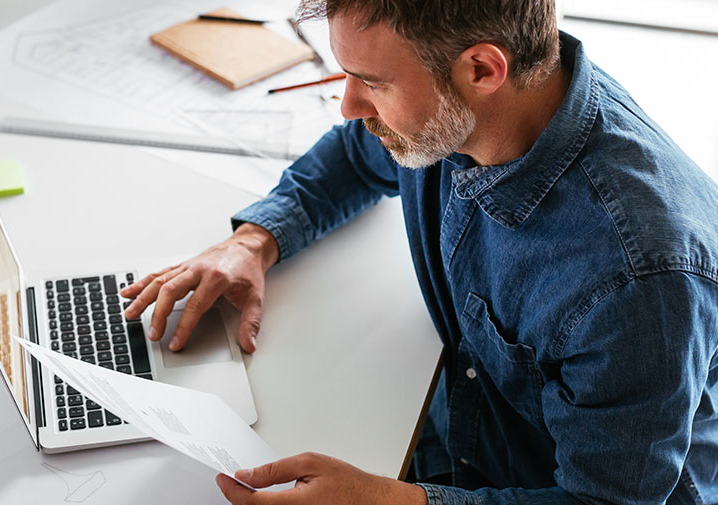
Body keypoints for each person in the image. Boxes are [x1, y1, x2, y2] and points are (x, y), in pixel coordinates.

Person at [122, 0, 718, 503]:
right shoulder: (476, 109)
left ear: (483, 69)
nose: (350, 106)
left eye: (373, 83)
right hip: (464, 428)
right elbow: (358, 154)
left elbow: (602, 501)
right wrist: (253, 240)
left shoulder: (638, 278)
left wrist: (393, 500)